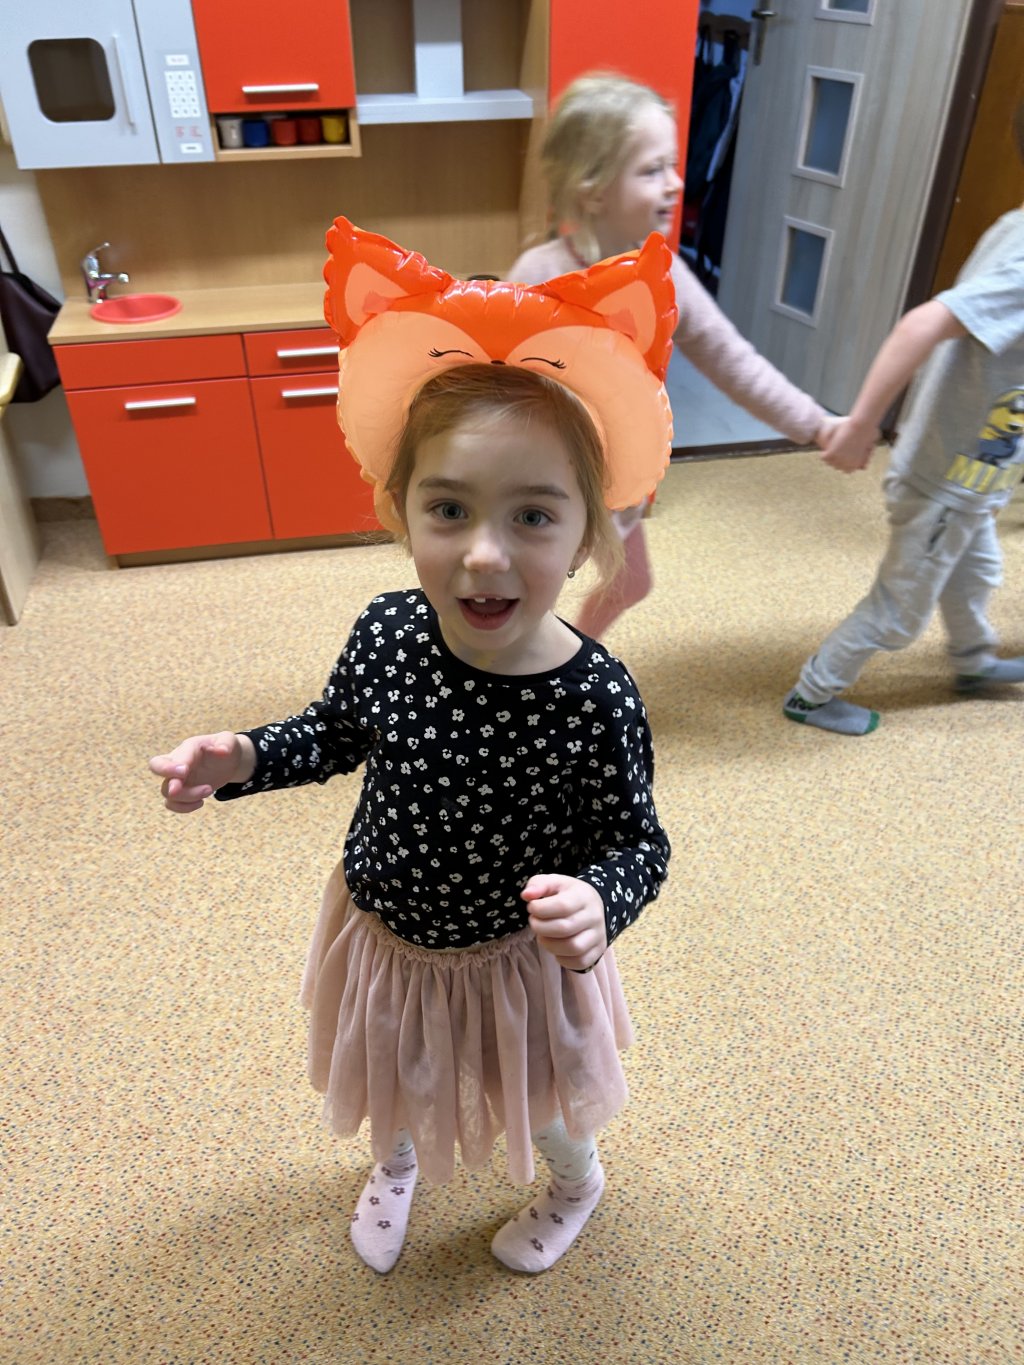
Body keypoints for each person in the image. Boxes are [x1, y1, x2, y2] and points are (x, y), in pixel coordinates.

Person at [149, 224, 673, 1277]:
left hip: (514, 962)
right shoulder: (390, 630)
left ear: (589, 534)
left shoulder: (595, 696)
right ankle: (395, 1164)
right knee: (391, 1071)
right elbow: (335, 733)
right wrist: (242, 755)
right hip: (387, 928)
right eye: (449, 509)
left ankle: (576, 1181)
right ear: (400, 511)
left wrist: (597, 901)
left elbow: (638, 842)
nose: (483, 552)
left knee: (539, 1098)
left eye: (533, 516)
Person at [508, 71, 854, 640]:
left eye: (672, 165)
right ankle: (522, 668)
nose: (675, 183)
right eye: (652, 170)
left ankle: (569, 659)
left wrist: (817, 425)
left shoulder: (665, 277)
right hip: (542, 478)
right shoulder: (539, 275)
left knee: (630, 583)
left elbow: (735, 362)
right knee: (525, 586)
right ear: (594, 189)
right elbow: (496, 381)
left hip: (618, 477)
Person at [783, 101, 1024, 737]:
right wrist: (862, 423)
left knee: (980, 572)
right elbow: (922, 324)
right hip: (946, 481)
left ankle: (973, 662)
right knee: (900, 610)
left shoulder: (1013, 223)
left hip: (973, 477)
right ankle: (813, 692)